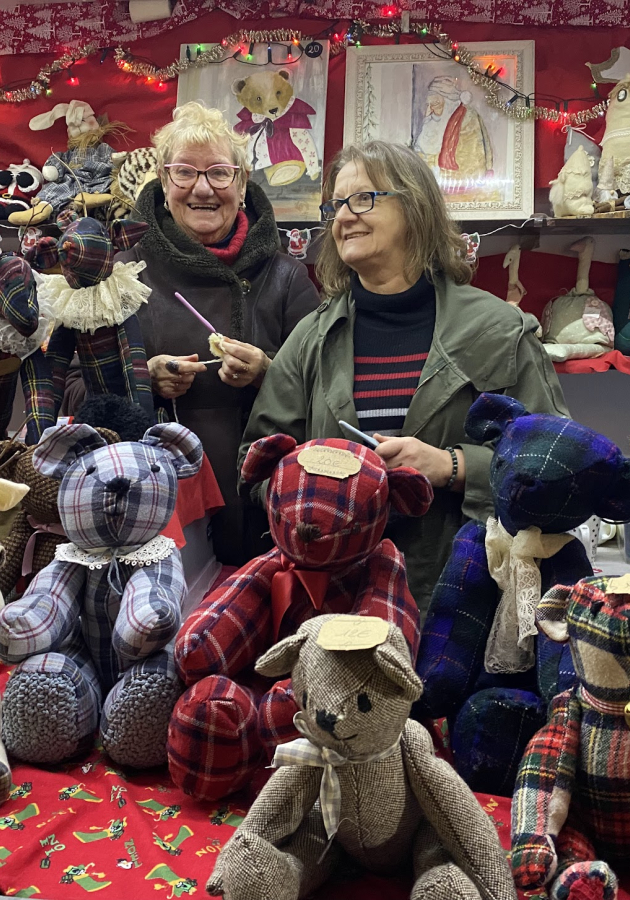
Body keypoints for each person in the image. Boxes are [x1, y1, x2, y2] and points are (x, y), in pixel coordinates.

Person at [240, 140, 569, 619]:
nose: (343, 217)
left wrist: (452, 466)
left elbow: (560, 466)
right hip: (337, 607)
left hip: (466, 600)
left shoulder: (499, 331)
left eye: (363, 199)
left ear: (415, 207)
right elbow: (254, 466)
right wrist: (315, 491)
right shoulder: (312, 338)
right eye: (336, 205)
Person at [135, 102, 320, 566]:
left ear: (242, 184)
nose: (202, 188)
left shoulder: (286, 277)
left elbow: (326, 392)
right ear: (162, 180)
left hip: (264, 503)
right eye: (184, 172)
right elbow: (77, 389)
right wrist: (144, 378)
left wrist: (268, 372)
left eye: (219, 173)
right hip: (157, 503)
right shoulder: (125, 274)